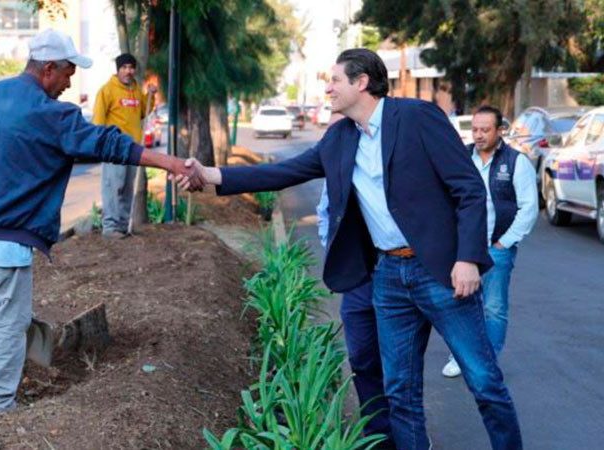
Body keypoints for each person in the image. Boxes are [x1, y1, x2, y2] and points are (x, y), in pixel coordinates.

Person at [180, 49, 522, 450]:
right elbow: (281, 173)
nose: (327, 88)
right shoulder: (339, 138)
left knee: (483, 381)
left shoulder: (416, 117)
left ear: (361, 83)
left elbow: (468, 188)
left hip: (441, 272)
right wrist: (208, 175)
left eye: (335, 80)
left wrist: (467, 258)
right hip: (389, 277)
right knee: (399, 393)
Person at [0, 29, 202, 431]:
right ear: (49, 69)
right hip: (4, 246)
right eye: (69, 73)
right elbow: (109, 144)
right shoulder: (50, 115)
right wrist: (170, 163)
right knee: (6, 328)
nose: (70, 83)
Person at [315, 98, 394, 444]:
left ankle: (407, 435)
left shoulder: (380, 164)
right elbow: (324, 216)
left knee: (396, 361)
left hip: (393, 270)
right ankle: (378, 434)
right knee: (362, 358)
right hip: (358, 279)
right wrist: (340, 255)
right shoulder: (335, 171)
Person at [442, 106, 538, 378]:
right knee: (460, 304)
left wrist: (505, 242)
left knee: (494, 308)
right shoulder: (462, 157)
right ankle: (460, 358)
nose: (479, 135)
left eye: (485, 130)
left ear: (500, 130)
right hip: (463, 249)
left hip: (496, 248)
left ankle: (487, 361)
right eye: (475, 129)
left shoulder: (516, 162)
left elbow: (528, 208)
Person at [93, 53, 157, 239]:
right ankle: (110, 228)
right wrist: (101, 144)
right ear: (118, 69)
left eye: (131, 67)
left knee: (128, 187)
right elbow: (98, 120)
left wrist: (150, 96)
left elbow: (143, 110)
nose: (128, 71)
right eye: (124, 67)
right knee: (114, 186)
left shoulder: (136, 90)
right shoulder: (107, 90)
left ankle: (122, 226)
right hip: (114, 148)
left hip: (133, 148)